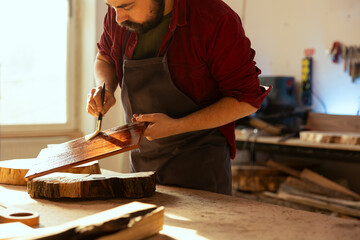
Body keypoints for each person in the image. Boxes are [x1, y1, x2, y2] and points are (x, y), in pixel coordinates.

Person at [86, 0, 271, 195]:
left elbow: (246, 100)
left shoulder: (215, 19)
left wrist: (177, 126)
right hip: (142, 166)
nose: (118, 18)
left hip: (200, 172)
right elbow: (104, 57)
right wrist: (104, 87)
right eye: (112, 7)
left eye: (127, 6)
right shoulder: (118, 11)